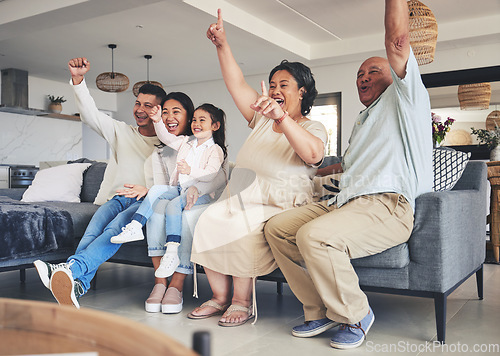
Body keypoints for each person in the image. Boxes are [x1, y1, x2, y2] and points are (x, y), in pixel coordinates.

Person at [264, 0, 433, 349]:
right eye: (359, 75)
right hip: (345, 202)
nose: (364, 77)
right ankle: (319, 308)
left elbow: (398, 40)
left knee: (314, 236)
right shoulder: (363, 119)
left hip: (387, 205)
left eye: (374, 71)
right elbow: (343, 167)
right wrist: (313, 171)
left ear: (396, 76)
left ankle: (356, 314)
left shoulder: (406, 100)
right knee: (277, 229)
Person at [187, 9, 327, 327]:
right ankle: (220, 297)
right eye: (273, 84)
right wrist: (222, 44)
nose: (276, 89)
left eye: (285, 85)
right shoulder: (261, 118)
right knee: (208, 219)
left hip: (281, 204)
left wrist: (281, 117)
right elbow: (235, 82)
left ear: (302, 91)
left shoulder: (312, 126)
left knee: (242, 225)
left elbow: (313, 155)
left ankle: (241, 301)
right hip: (242, 197)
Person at [33, 57, 167, 308]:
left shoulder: (168, 144)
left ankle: (70, 270)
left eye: (148, 106)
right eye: (137, 103)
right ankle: (77, 285)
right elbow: (90, 114)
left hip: (141, 204)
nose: (140, 109)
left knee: (113, 229)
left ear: (159, 110)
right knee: (91, 232)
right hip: (116, 198)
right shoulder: (121, 131)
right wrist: (78, 80)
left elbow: (173, 182)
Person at [111, 103, 227, 281]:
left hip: (199, 195)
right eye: (194, 119)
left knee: (172, 206)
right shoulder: (187, 142)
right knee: (157, 190)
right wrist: (157, 121)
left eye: (202, 120)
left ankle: (172, 251)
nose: (196, 123)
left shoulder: (215, 149)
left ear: (215, 126)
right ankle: (135, 226)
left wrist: (190, 170)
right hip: (180, 189)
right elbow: (166, 138)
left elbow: (212, 174)